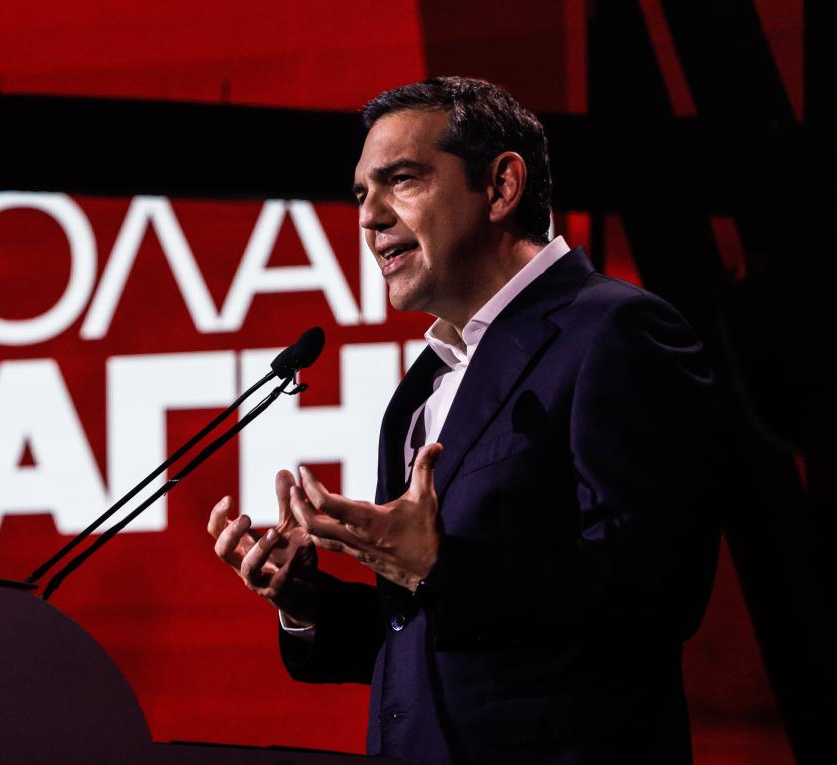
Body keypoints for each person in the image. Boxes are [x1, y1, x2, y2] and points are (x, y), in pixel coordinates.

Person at [207, 77, 722, 765]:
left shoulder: (616, 332)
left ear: (501, 186)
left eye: (401, 181)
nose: (370, 217)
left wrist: (435, 563)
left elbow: (657, 594)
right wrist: (309, 603)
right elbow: (431, 636)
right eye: (361, 193)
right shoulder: (421, 388)